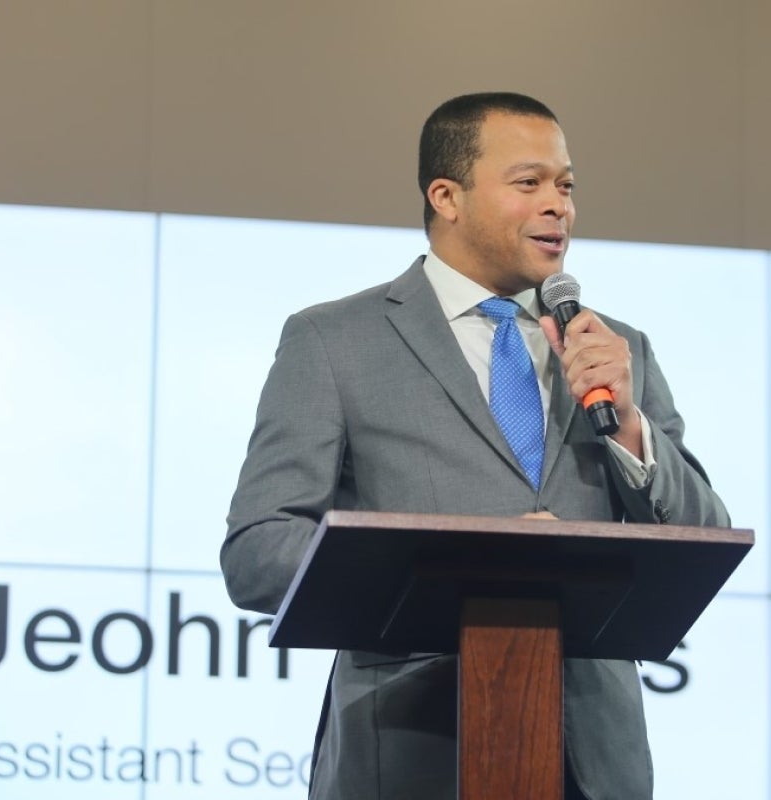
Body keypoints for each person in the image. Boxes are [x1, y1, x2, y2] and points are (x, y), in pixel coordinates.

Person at [222, 92, 730, 800]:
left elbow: (700, 538)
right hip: (404, 753)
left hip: (591, 764)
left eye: (567, 185)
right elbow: (257, 550)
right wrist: (453, 571)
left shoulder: (618, 351)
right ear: (447, 197)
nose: (559, 206)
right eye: (530, 183)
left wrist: (632, 427)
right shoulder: (334, 342)